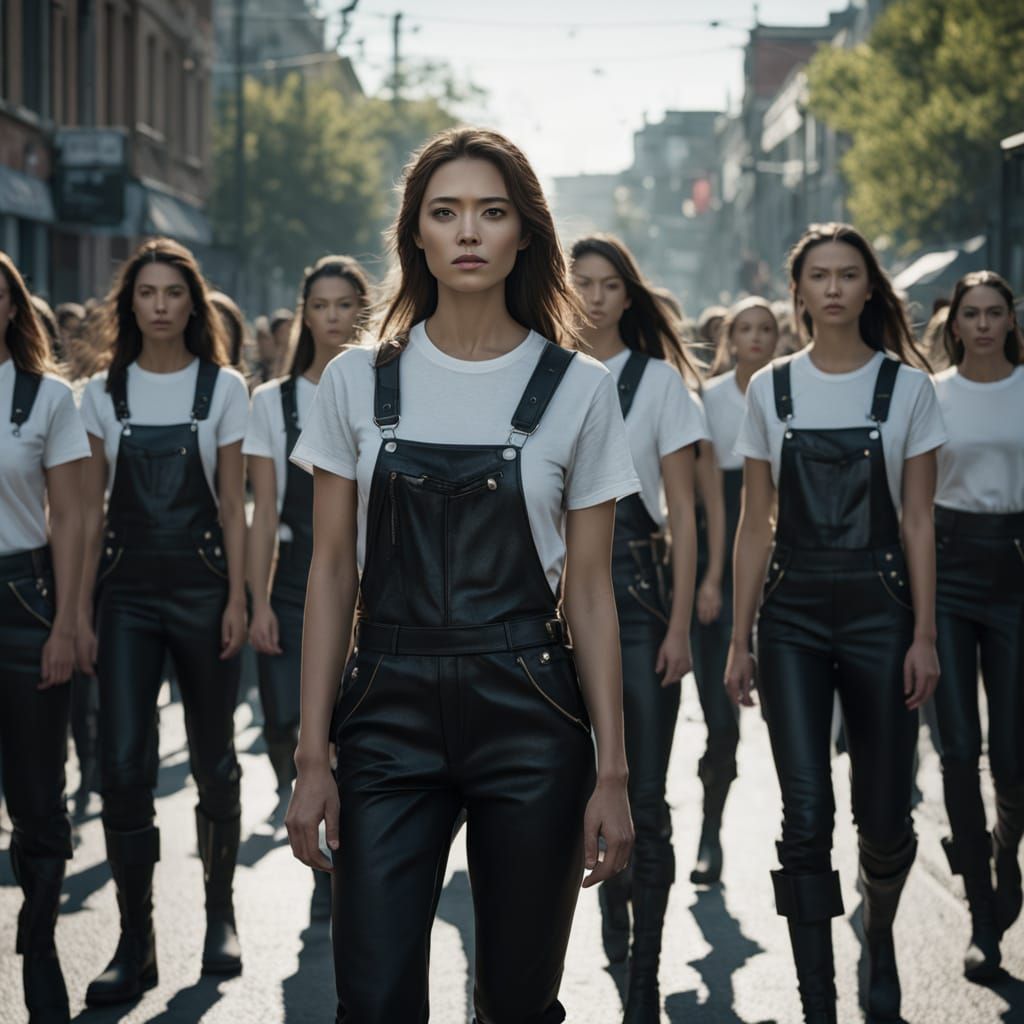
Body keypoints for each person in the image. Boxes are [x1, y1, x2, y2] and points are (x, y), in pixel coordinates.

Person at [285, 127, 638, 1023]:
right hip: (386, 710)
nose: (469, 232)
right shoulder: (354, 382)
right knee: (370, 998)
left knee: (519, 1003)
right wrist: (312, 755)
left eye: (492, 212)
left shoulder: (581, 388)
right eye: (446, 213)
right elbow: (330, 574)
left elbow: (590, 593)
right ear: (416, 236)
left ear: (526, 233)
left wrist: (613, 775)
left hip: (531, 710)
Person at [726, 223, 945, 1024]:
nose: (832, 288)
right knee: (806, 810)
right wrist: (740, 638)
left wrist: (925, 634)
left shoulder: (908, 389)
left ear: (868, 288)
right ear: (799, 292)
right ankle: (819, 999)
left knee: (884, 815)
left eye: (848, 274)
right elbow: (756, 523)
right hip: (792, 613)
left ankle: (877, 936)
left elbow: (920, 521)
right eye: (818, 275)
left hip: (883, 613)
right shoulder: (769, 389)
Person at [77, 238, 250, 1003]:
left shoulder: (224, 388)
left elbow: (239, 510)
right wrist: (76, 612)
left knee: (215, 761)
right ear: (129, 304)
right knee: (121, 766)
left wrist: (242, 598)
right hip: (125, 595)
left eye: (172, 292)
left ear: (193, 302)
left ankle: (221, 915)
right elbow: (84, 514)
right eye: (145, 292)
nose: (158, 305)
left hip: (204, 589)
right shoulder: (98, 393)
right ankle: (134, 940)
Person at [569, 234, 705, 1021]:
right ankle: (607, 900)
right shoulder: (540, 372)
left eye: (608, 284)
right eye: (580, 282)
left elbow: (683, 515)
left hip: (639, 592)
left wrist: (681, 622)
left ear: (629, 296)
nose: (593, 297)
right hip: (549, 600)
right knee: (569, 787)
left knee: (645, 800)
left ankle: (646, 982)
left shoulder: (659, 384)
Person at [244, 255, 370, 920]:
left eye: (344, 304)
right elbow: (262, 511)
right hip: (293, 580)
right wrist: (256, 599)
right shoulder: (273, 401)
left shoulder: (380, 388)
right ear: (304, 313)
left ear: (362, 309)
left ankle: (340, 858)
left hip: (369, 583)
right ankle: (304, 803)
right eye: (319, 305)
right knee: (284, 722)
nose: (332, 317)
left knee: (348, 727)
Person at [0, 251, 90, 1024]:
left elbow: (75, 521)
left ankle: (39, 940)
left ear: (12, 307)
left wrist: (67, 620)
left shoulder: (47, 398)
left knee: (36, 793)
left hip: (24, 601)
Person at [931, 271, 1024, 980]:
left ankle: (1003, 850)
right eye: (973, 313)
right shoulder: (931, 396)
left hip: (1017, 571)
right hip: (950, 570)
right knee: (959, 747)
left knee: (1014, 750)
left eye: (997, 312)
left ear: (1010, 320)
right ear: (954, 322)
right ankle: (982, 916)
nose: (985, 324)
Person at [689, 297, 779, 887]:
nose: (754, 337)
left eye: (765, 328)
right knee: (722, 724)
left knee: (795, 720)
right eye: (743, 328)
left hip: (782, 569)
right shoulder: (712, 399)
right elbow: (708, 502)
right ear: (728, 335)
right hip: (717, 560)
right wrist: (711, 577)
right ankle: (709, 829)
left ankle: (807, 839)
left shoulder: (792, 391)